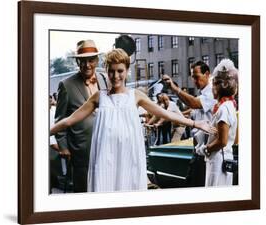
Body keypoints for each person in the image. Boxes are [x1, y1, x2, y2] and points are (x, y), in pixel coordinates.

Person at [51, 49, 216, 193]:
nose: (116, 76)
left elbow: (167, 115)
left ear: (127, 70)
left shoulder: (135, 95)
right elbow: (70, 120)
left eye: (120, 71)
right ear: (106, 71)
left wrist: (195, 123)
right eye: (112, 71)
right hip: (104, 157)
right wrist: (45, 131)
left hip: (129, 156)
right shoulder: (99, 97)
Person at [54, 40, 108, 193]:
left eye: (91, 60)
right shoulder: (66, 85)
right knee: (83, 190)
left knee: (103, 187)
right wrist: (63, 147)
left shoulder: (105, 79)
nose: (87, 65)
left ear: (97, 60)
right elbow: (60, 118)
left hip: (105, 146)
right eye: (83, 61)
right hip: (80, 150)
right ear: (77, 61)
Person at [162, 61, 217, 187]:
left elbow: (193, 103)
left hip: (205, 154)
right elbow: (193, 115)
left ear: (207, 74)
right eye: (193, 77)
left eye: (196, 77)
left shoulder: (212, 93)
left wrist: (175, 89)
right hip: (198, 153)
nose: (194, 81)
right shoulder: (203, 94)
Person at [195, 59, 238, 186]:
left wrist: (205, 148)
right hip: (226, 158)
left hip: (218, 161)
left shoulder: (223, 109)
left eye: (212, 84)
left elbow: (222, 141)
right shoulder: (231, 106)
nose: (211, 88)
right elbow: (234, 139)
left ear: (218, 87)